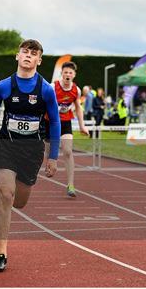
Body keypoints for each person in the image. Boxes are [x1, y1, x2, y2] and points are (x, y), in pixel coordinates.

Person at [0, 39, 60, 272]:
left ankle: (21, 189)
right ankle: (1, 253)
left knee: (19, 201)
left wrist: (53, 156)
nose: (28, 56)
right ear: (17, 56)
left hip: (32, 150)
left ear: (39, 60)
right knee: (6, 194)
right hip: (6, 146)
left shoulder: (46, 90)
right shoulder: (3, 86)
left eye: (34, 53)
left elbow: (55, 122)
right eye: (25, 52)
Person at [44, 62, 89, 197]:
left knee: (68, 151)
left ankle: (70, 185)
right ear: (61, 74)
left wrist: (82, 126)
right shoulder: (53, 87)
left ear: (74, 75)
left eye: (70, 73)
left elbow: (79, 108)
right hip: (50, 122)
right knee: (49, 151)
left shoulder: (77, 90)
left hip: (65, 122)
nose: (68, 75)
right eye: (65, 72)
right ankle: (51, 163)